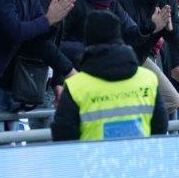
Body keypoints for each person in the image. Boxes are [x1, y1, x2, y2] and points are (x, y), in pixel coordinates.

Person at [51, 11, 168, 141]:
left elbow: (63, 136)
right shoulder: (148, 79)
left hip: (93, 160)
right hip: (138, 158)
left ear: (87, 38)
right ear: (118, 36)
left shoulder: (76, 86)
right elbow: (160, 127)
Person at [114, 0, 179, 116]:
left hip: (141, 58)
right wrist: (152, 26)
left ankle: (141, 130)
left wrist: (170, 28)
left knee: (173, 100)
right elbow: (121, 41)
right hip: (118, 61)